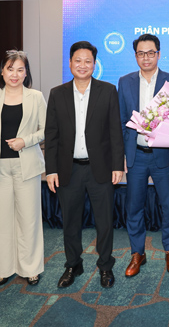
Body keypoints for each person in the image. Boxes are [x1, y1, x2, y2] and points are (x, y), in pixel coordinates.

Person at [45, 41, 124, 289]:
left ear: (94, 64)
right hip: (68, 169)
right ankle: (73, 264)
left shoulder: (108, 91)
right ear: (70, 63)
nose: (82, 65)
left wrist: (118, 165)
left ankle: (105, 266)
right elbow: (51, 135)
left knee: (104, 222)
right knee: (70, 222)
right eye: (77, 60)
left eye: (88, 61)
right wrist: (51, 170)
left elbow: (115, 131)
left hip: (100, 168)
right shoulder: (57, 93)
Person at [0, 50, 46, 287]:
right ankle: (3, 268)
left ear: (26, 73)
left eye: (20, 69)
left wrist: (26, 140)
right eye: (10, 69)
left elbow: (47, 130)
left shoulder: (36, 97)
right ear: (2, 71)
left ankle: (31, 268)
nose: (15, 74)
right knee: (1, 221)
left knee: (29, 219)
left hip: (27, 166)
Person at [118, 34, 169, 278]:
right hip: (136, 155)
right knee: (134, 206)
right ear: (135, 56)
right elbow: (121, 122)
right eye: (141, 53)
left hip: (163, 155)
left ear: (159, 54)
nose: (146, 58)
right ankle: (137, 253)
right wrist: (123, 155)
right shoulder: (125, 82)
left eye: (151, 53)